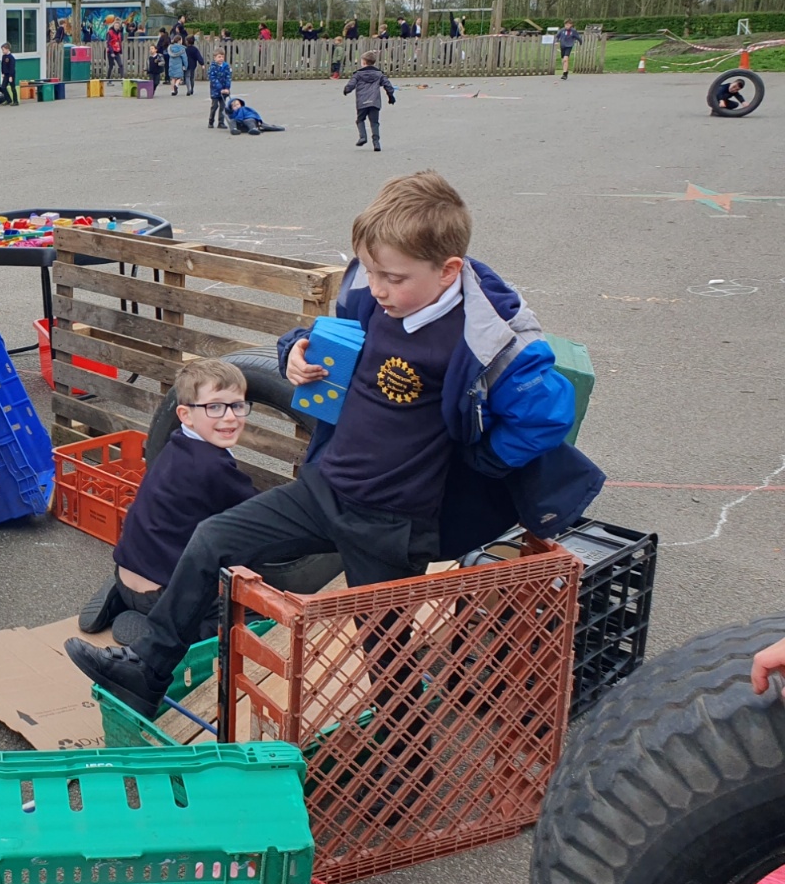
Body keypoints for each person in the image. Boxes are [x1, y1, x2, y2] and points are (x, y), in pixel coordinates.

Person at [64, 170, 606, 718]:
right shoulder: (378, 299)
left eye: (393, 277)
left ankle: (402, 759)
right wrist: (295, 352)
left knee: (386, 656)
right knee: (211, 539)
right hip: (323, 489)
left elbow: (546, 417)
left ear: (447, 271)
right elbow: (331, 339)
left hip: (390, 524)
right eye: (371, 271)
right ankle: (147, 671)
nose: (378, 287)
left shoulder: (483, 335)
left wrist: (481, 460)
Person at [79, 360, 260, 644]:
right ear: (185, 415)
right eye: (214, 407)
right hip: (162, 597)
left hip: (125, 571)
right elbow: (262, 514)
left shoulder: (175, 445)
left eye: (237, 405)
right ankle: (157, 631)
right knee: (253, 611)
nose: (230, 417)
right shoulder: (213, 467)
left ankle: (121, 597)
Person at [344, 50, 395, 151]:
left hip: (362, 101)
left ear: (363, 62)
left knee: (360, 120)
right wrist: (391, 96)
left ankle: (363, 137)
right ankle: (376, 143)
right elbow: (388, 85)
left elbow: (351, 84)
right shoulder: (379, 74)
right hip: (374, 101)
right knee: (374, 122)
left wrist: (346, 90)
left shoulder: (358, 74)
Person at [207, 50, 233, 129]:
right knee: (214, 106)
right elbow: (212, 78)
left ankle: (221, 122)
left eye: (222, 57)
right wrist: (220, 88)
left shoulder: (226, 66)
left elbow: (228, 77)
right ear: (215, 58)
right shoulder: (212, 67)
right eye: (219, 57)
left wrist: (227, 88)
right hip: (215, 91)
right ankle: (211, 121)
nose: (221, 58)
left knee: (223, 107)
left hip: (224, 91)